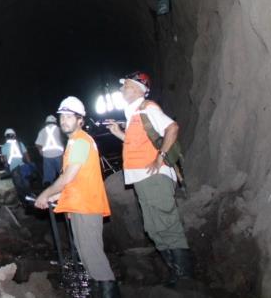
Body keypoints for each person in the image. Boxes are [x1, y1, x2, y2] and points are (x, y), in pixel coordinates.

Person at [105, 71, 192, 287]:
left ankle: (183, 276)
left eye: (125, 86)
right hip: (142, 178)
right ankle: (175, 272)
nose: (122, 89)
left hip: (155, 176)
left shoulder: (148, 108)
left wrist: (160, 157)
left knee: (166, 223)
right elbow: (136, 144)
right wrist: (118, 133)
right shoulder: (133, 114)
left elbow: (172, 128)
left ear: (137, 89)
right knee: (154, 227)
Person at [35, 97, 119, 298]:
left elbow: (68, 177)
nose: (64, 120)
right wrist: (53, 197)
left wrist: (45, 194)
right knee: (86, 255)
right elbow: (74, 181)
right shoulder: (74, 143)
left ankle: (109, 293)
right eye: (62, 116)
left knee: (93, 256)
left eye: (69, 116)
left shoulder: (81, 142)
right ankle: (100, 292)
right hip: (79, 205)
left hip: (88, 206)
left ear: (80, 119)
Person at [1, 128, 32, 200]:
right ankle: (30, 199)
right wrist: (30, 164)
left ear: (6, 137)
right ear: (14, 135)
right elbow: (26, 155)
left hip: (13, 169)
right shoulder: (20, 144)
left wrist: (5, 164)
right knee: (26, 184)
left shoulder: (4, 146)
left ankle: (23, 201)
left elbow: (4, 160)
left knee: (19, 186)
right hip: (23, 167)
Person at [35, 114, 65, 185]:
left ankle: (48, 188)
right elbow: (64, 140)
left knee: (48, 176)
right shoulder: (59, 129)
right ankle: (65, 189)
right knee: (63, 174)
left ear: (46, 122)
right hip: (59, 154)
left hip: (47, 155)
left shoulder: (42, 131)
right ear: (55, 122)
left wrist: (40, 150)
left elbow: (37, 144)